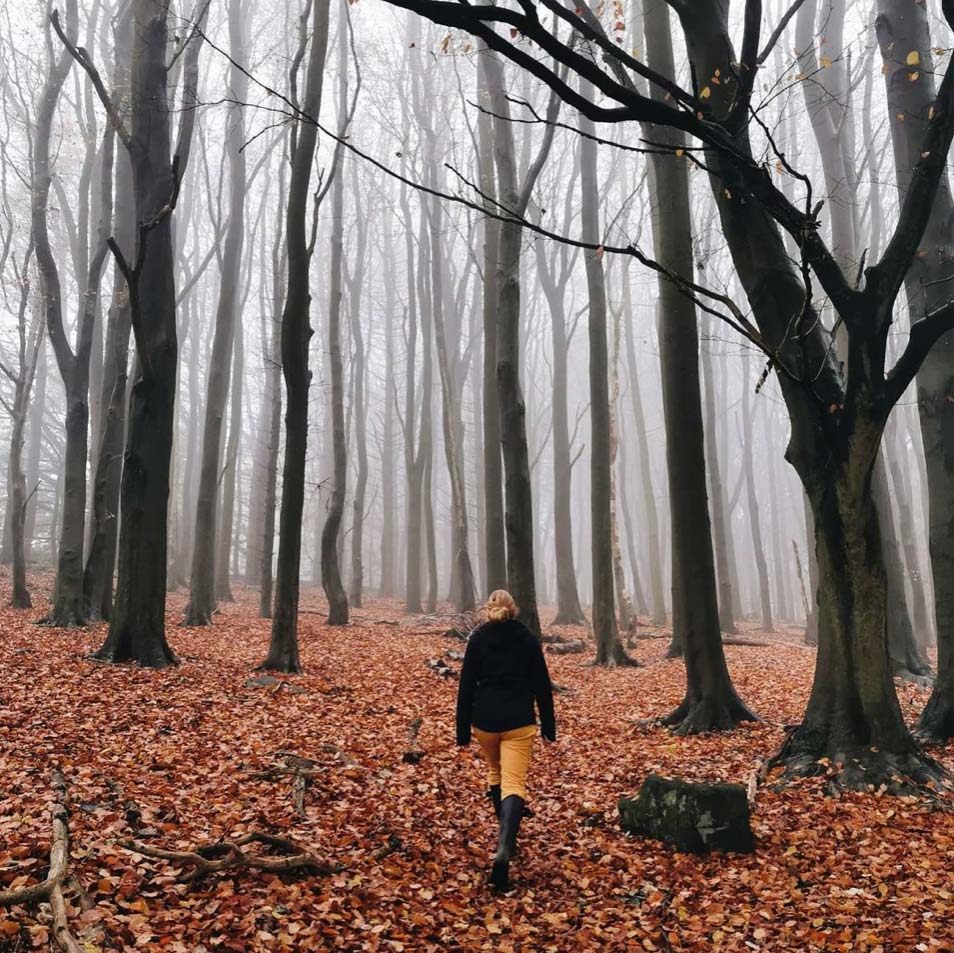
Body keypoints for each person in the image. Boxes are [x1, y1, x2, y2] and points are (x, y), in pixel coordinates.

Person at [455, 589, 556, 891]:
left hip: (484, 721)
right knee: (514, 783)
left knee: (495, 774)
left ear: (489, 610)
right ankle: (504, 846)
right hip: (518, 720)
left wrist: (462, 729)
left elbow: (466, 685)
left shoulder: (478, 638)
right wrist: (549, 725)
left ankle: (504, 839)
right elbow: (541, 684)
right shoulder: (526, 638)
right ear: (514, 609)